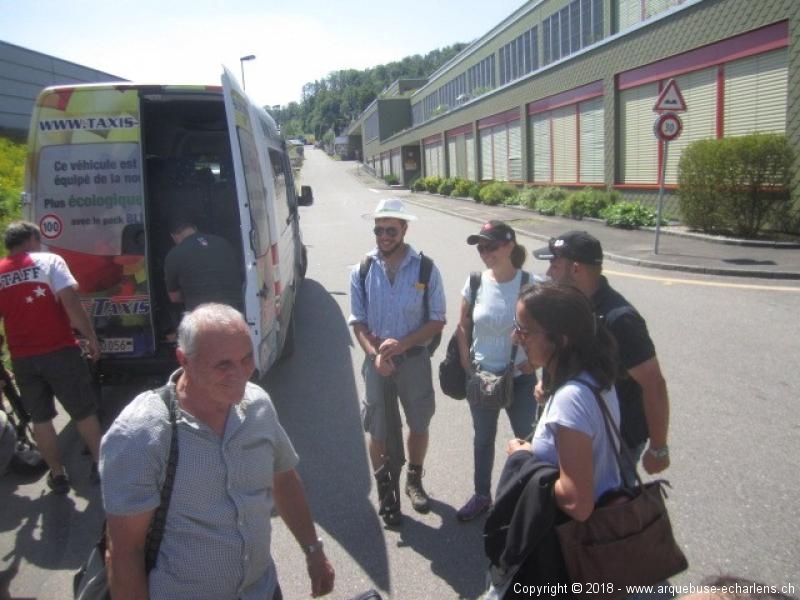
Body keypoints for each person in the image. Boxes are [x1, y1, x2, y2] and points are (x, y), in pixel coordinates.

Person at [100, 303, 335, 599]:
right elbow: (124, 553)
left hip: (261, 591)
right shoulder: (142, 433)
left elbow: (283, 480)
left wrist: (313, 551)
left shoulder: (258, 406)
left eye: (246, 358)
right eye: (223, 365)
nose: (240, 374)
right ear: (184, 360)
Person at [533, 231, 670, 484]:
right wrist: (548, 383)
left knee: (607, 506)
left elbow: (653, 384)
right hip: (572, 428)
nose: (549, 272)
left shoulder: (620, 319)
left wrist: (658, 447)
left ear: (576, 269)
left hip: (614, 442)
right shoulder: (568, 304)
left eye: (554, 265)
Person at [348, 198, 446, 526]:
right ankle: (386, 490)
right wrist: (375, 355)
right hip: (376, 363)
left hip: (414, 360)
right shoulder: (362, 269)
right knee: (378, 429)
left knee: (418, 424)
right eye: (379, 230)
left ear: (405, 229)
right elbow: (358, 322)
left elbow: (437, 320)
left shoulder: (425, 269)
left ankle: (413, 480)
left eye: (391, 230)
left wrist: (402, 344)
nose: (384, 236)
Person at [0, 221, 103, 494]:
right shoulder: (50, 262)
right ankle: (100, 464)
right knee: (83, 411)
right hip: (60, 351)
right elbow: (71, 304)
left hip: (22, 358)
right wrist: (91, 337)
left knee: (41, 419)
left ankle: (57, 475)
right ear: (32, 239)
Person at [454, 220, 538, 522]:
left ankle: (526, 501)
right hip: (483, 378)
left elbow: (551, 330)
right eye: (481, 247)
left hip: (521, 379)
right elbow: (463, 325)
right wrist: (467, 362)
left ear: (509, 246)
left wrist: (537, 361)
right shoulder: (475, 281)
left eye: (491, 246)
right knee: (483, 441)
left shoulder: (530, 284)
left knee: (528, 442)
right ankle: (481, 496)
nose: (485, 253)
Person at [163, 219, 243, 311]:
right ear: (195, 228)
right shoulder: (223, 243)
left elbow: (174, 297)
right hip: (232, 310)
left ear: (173, 236)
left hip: (201, 313)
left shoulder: (174, 254)